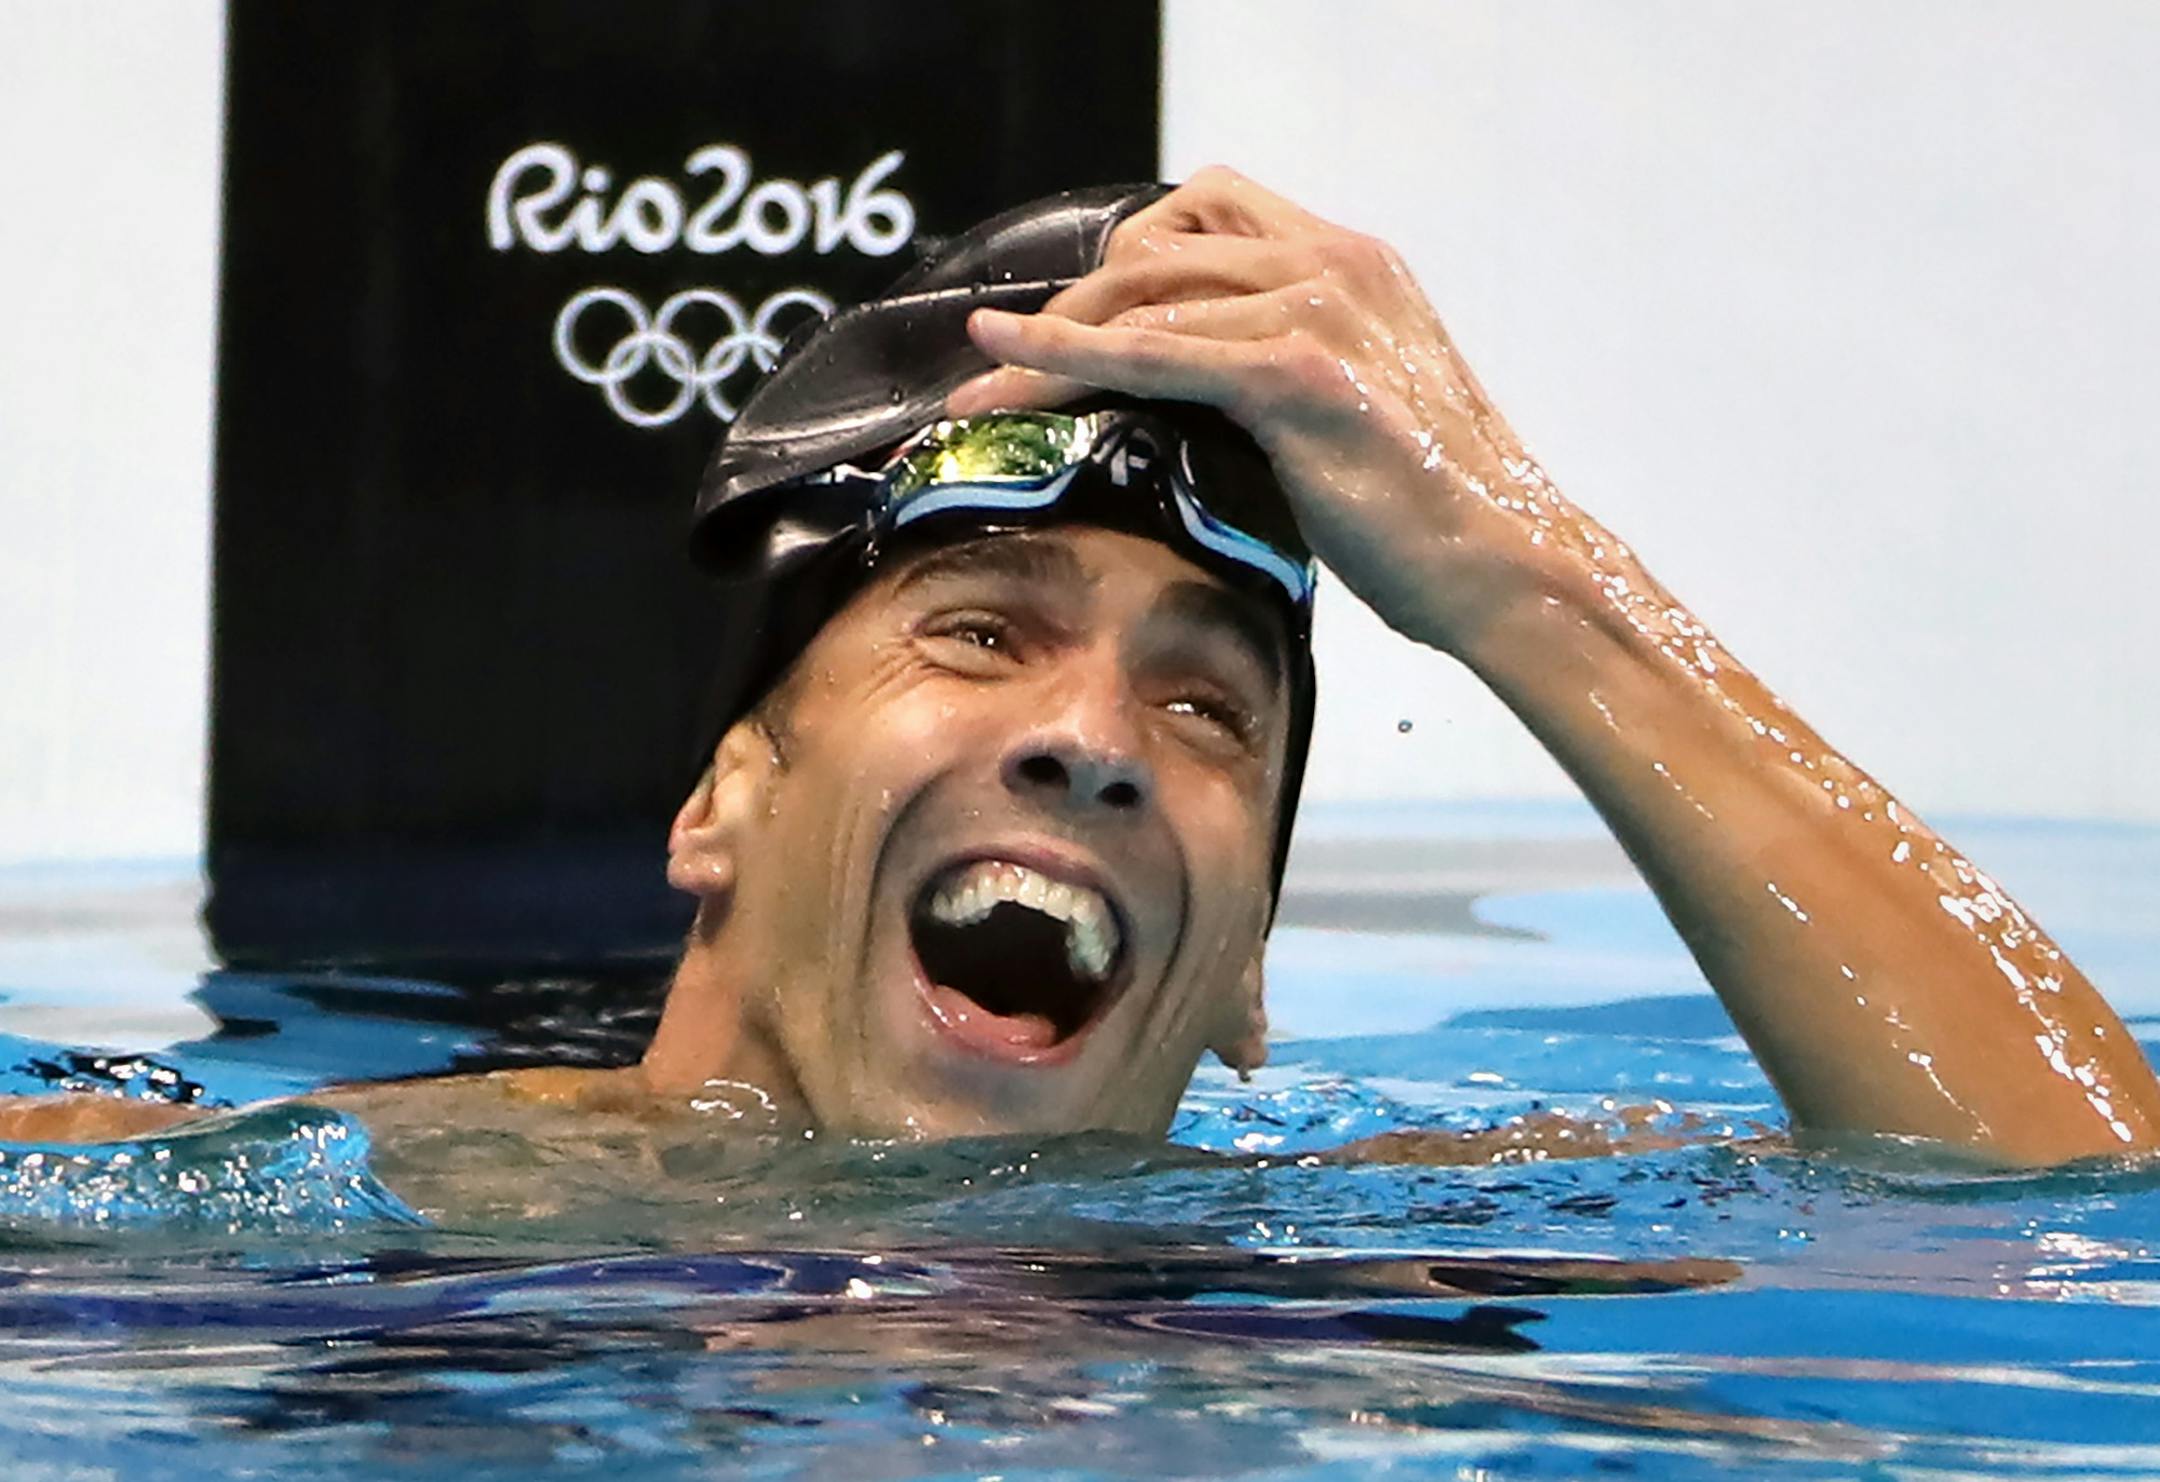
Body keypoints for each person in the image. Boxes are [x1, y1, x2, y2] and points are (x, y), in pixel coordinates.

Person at [3, 169, 2157, 1170]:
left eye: (1208, 704)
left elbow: (2076, 1200)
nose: (1094, 745)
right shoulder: (309, 1212)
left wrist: (1524, 574)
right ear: (718, 806)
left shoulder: (1381, 1248)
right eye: (980, 630)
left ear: (1245, 981)